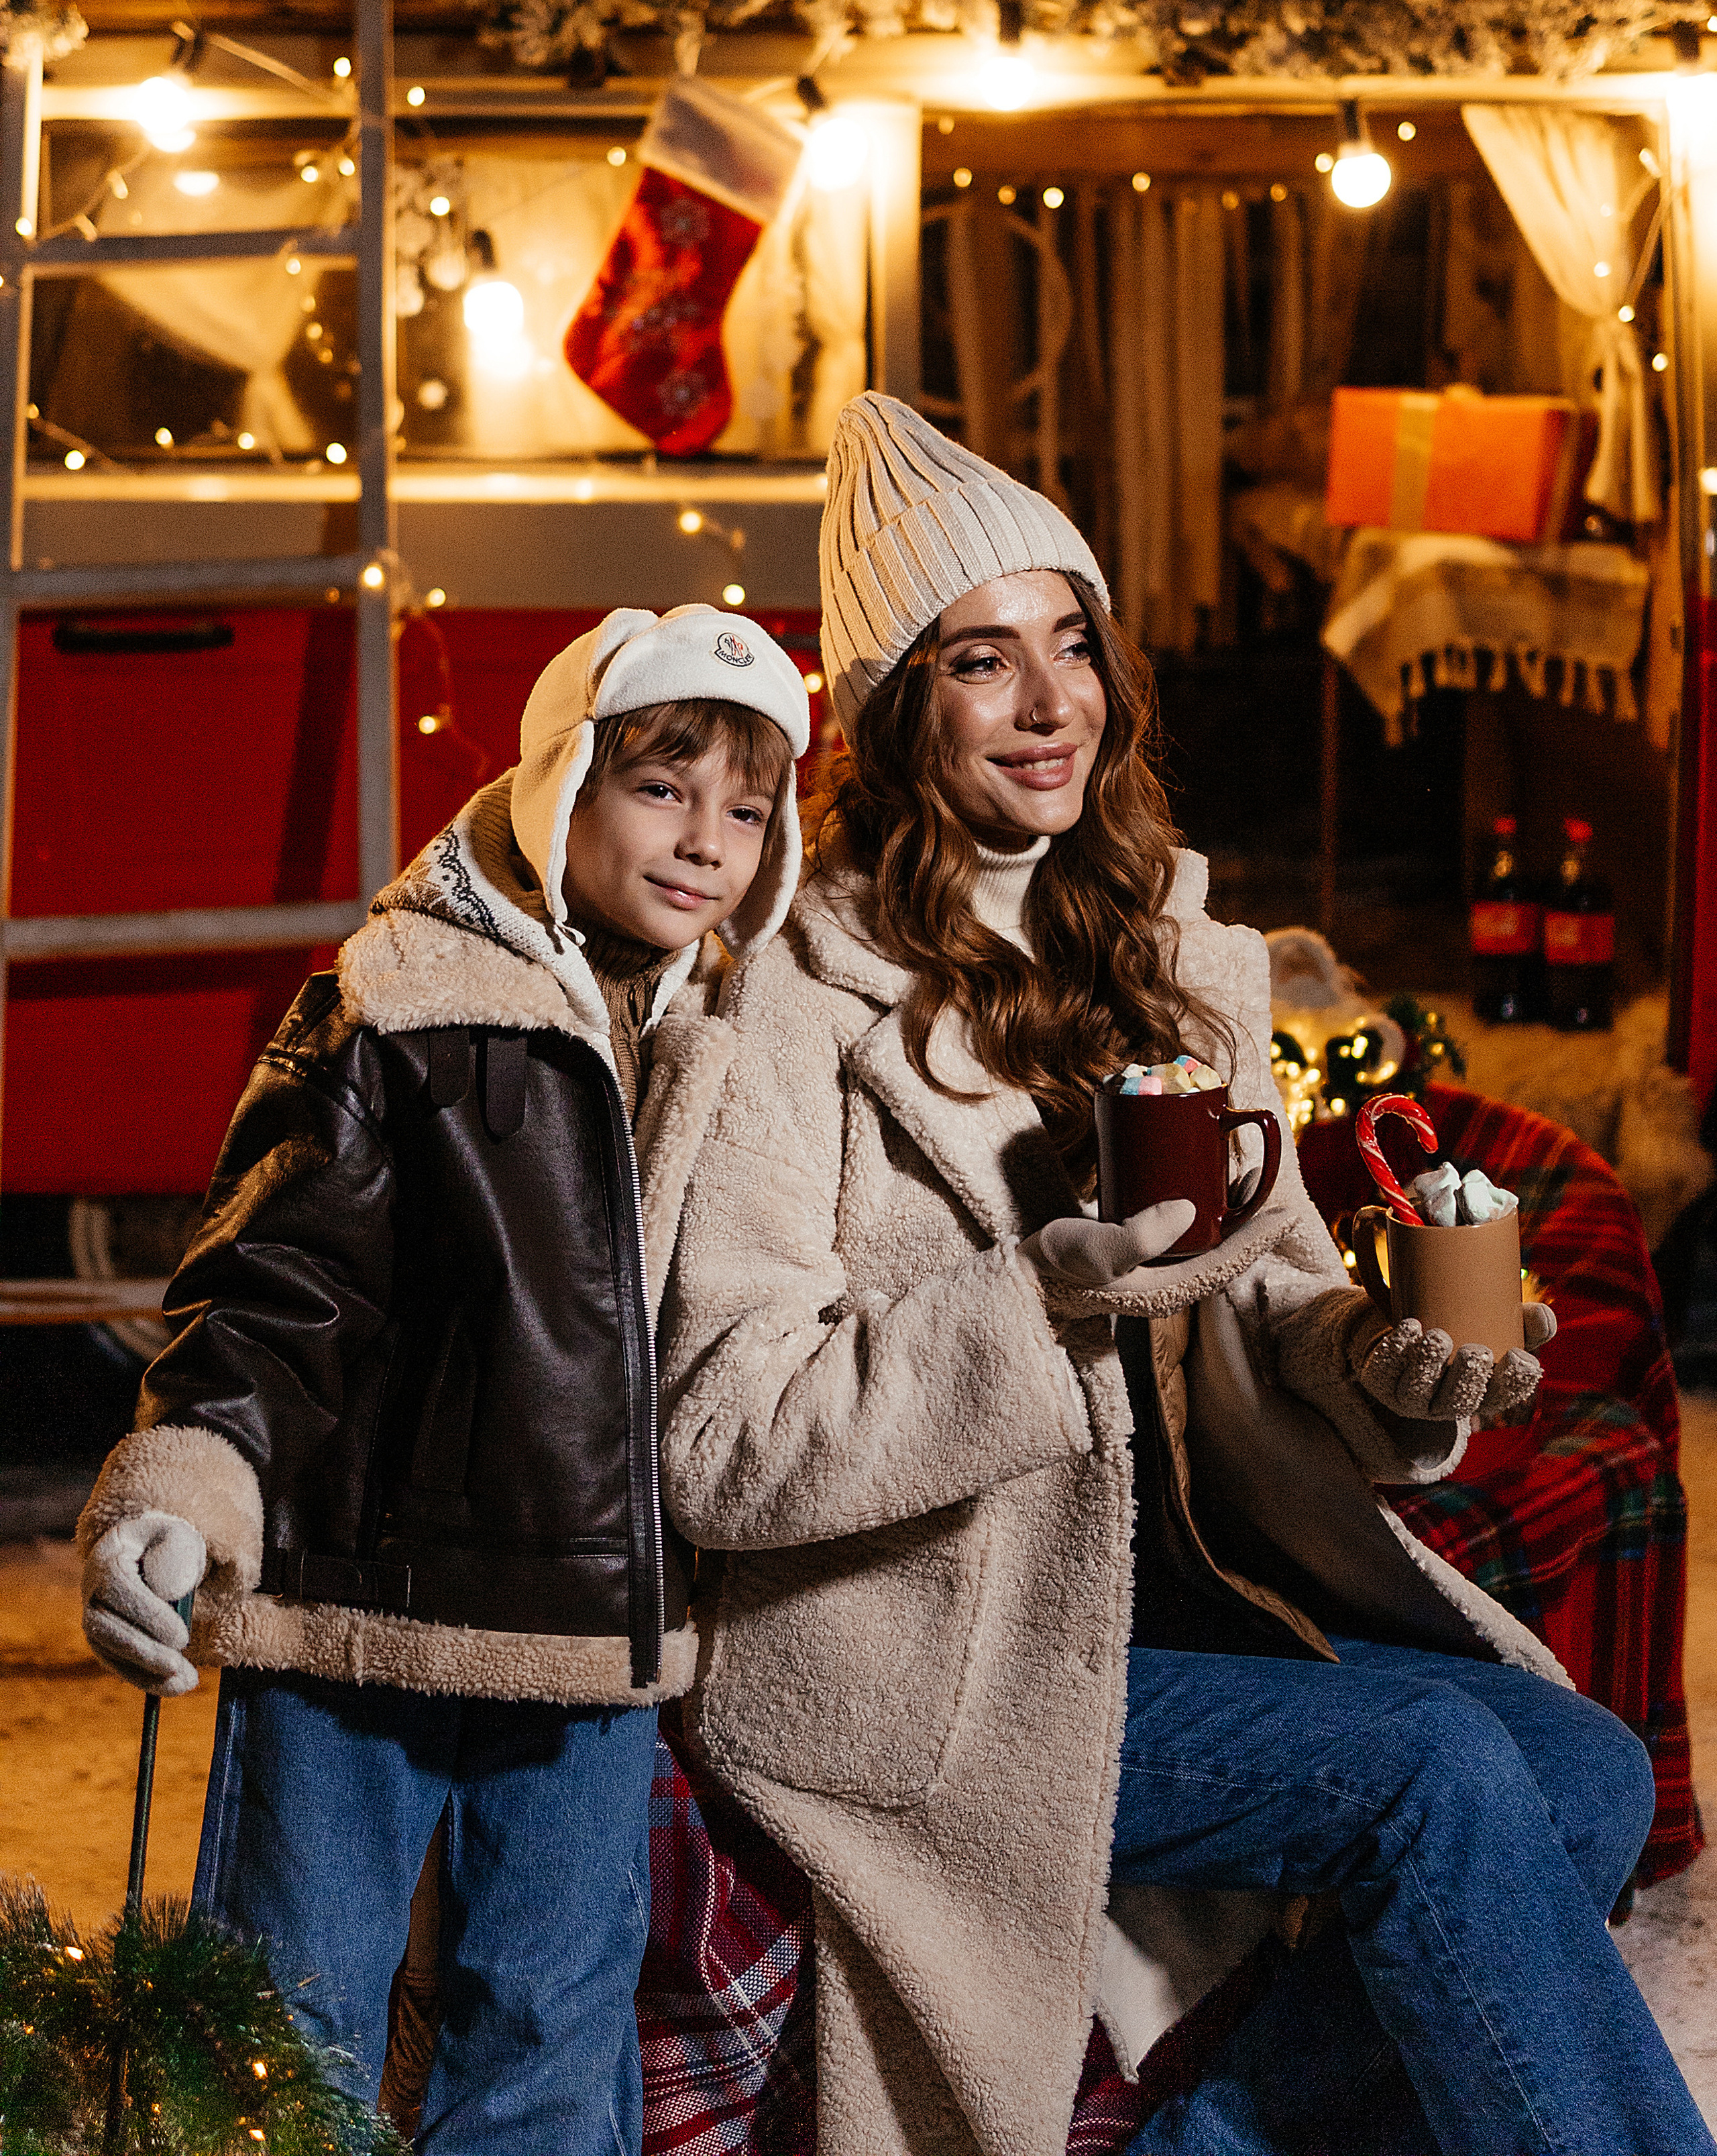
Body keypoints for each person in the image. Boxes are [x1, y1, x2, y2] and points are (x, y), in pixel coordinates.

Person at [657, 395, 1713, 2156]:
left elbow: (1280, 1283)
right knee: (1437, 1778)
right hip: (928, 1654)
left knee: (1583, 1767)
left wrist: (1397, 1358)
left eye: (1073, 642)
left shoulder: (1177, 964)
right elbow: (725, 1441)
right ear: (894, 702)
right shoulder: (782, 1000)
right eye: (984, 662)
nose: (1052, 701)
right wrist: (1039, 1307)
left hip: (1181, 1602)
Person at [75, 604, 810, 2156]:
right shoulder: (400, 994)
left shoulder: (718, 1032)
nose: (706, 843)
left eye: (746, 810)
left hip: (586, 1642)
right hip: (359, 1618)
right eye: (661, 789)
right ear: (562, 785)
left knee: (547, 2021)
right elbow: (280, 1283)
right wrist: (184, 1489)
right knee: (286, 2017)